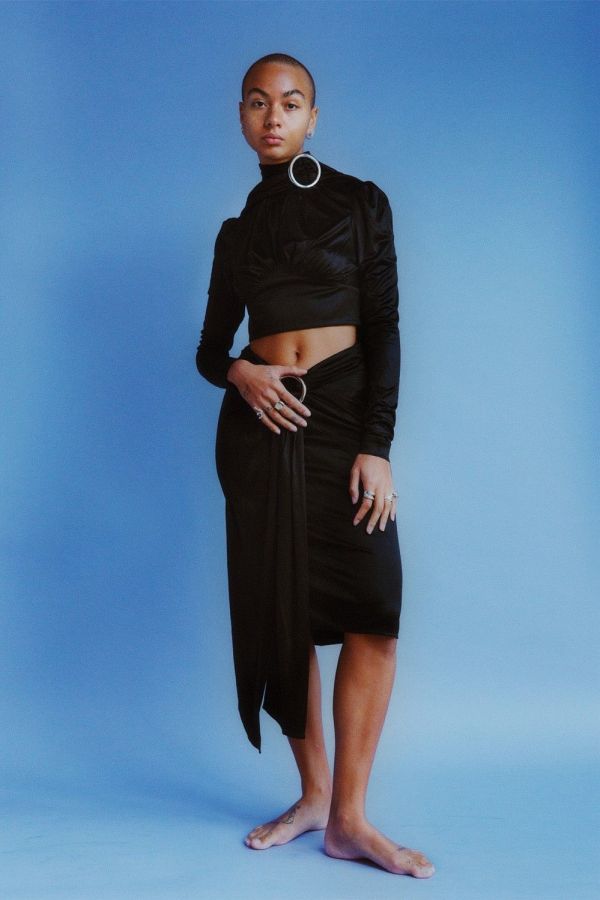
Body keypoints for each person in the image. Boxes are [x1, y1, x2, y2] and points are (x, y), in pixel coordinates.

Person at [195, 52, 435, 879]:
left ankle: (352, 819)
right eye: (257, 102)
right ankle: (315, 800)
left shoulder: (362, 204)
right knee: (283, 613)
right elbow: (208, 349)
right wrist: (242, 372)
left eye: (290, 102)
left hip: (342, 419)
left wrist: (377, 446)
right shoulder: (237, 236)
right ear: (241, 116)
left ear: (313, 118)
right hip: (263, 428)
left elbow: (386, 327)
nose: (273, 116)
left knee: (375, 607)